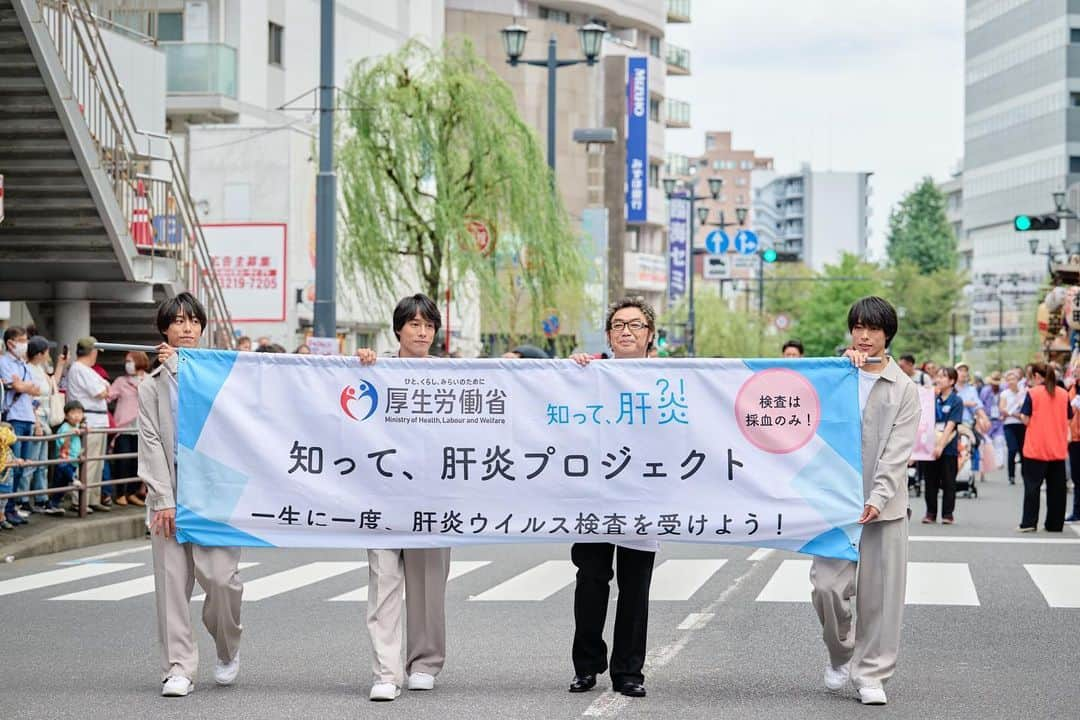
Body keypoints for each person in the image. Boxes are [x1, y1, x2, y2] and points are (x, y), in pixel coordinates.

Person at [810, 296, 919, 707]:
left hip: (883, 509)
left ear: (887, 333)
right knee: (827, 589)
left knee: (879, 597)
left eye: (873, 328)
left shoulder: (904, 388)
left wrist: (877, 497)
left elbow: (897, 452)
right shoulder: (835, 376)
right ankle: (841, 654)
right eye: (858, 327)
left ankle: (871, 672)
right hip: (834, 504)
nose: (864, 335)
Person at [138, 292, 244, 697]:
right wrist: (162, 498)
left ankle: (227, 646)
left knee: (221, 580)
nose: (187, 328)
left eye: (193, 321)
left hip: (216, 493)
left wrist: (184, 372)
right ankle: (178, 667)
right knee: (172, 584)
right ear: (164, 329)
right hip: (171, 494)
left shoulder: (221, 374)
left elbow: (227, 423)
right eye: (178, 321)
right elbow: (149, 441)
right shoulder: (151, 387)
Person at [355, 294, 451, 702]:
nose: (422, 331)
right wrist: (355, 364)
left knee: (429, 584)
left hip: (431, 495)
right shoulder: (374, 369)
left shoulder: (453, 377)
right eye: (414, 324)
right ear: (398, 329)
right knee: (383, 579)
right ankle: (386, 671)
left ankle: (425, 662)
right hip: (382, 493)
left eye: (429, 325)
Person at [565, 298, 660, 699]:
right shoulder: (589, 373)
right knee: (590, 579)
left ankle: (629, 671)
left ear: (649, 335)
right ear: (608, 335)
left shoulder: (669, 379)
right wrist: (569, 372)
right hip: (594, 494)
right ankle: (586, 666)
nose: (626, 331)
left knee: (635, 585)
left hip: (642, 494)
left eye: (636, 325)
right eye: (619, 325)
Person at [1017, 362, 1071, 533]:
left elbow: (1025, 418)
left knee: (1032, 487)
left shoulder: (1032, 393)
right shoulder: (1063, 394)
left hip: (1036, 447)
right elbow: (1069, 419)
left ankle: (1029, 523)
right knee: (1057, 489)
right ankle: (1055, 524)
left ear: (1037, 376)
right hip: (1057, 447)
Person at [65, 337, 112, 513]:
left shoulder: (87, 370)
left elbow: (106, 389)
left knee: (97, 463)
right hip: (89, 420)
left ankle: (92, 498)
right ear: (92, 352)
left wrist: (106, 389)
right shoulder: (79, 369)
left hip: (99, 420)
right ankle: (81, 500)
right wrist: (105, 389)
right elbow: (101, 392)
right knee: (88, 462)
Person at [1, 326, 41, 525]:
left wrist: (24, 386)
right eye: (22, 340)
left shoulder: (23, 365)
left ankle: (13, 506)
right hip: (13, 417)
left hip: (27, 416)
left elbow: (37, 390)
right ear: (10, 343)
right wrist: (25, 387)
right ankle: (6, 509)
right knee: (11, 466)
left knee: (23, 465)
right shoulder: (4, 362)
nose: (25, 344)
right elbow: (16, 386)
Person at [25, 336, 64, 514]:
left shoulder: (40, 369)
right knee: (31, 463)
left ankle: (41, 498)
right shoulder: (30, 370)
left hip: (44, 419)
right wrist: (37, 423)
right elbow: (31, 399)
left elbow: (52, 385)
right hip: (37, 420)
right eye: (47, 351)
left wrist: (61, 364)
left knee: (42, 464)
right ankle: (24, 499)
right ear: (40, 353)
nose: (49, 354)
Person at [109, 351, 150, 507]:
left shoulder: (150, 379)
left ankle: (132, 492)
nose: (128, 364)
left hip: (143, 427)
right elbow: (109, 395)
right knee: (123, 460)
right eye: (126, 361)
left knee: (138, 461)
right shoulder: (121, 381)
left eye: (130, 361)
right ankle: (119, 493)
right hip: (124, 427)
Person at [924, 367, 962, 524]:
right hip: (929, 444)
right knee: (930, 480)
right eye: (938, 376)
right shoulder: (933, 398)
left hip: (948, 445)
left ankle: (947, 514)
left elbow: (951, 425)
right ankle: (930, 513)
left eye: (943, 377)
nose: (938, 379)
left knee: (948, 481)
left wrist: (941, 445)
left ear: (952, 381)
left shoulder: (956, 400)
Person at [52, 401, 85, 513]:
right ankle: (73, 479)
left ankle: (53, 505)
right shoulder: (65, 427)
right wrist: (70, 434)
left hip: (73, 460)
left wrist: (80, 453)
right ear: (66, 415)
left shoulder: (77, 426)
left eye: (80, 413)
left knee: (61, 486)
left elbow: (77, 444)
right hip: (64, 458)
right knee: (60, 481)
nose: (77, 416)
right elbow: (61, 443)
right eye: (73, 413)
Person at [999, 370, 1027, 486]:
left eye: (1013, 379)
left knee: (1023, 451)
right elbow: (1002, 409)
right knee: (1012, 449)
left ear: (1018, 380)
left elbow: (1025, 409)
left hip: (1022, 425)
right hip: (1009, 425)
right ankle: (1011, 475)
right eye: (1009, 379)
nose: (1011, 381)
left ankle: (1025, 475)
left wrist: (1013, 413)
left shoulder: (1023, 393)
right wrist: (1016, 414)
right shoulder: (1005, 394)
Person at [0, 422, 18, 530]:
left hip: (7, 481)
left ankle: (2, 519)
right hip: (1, 480)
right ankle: (1, 519)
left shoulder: (8, 450)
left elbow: (12, 458)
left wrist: (18, 461)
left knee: (3, 502)